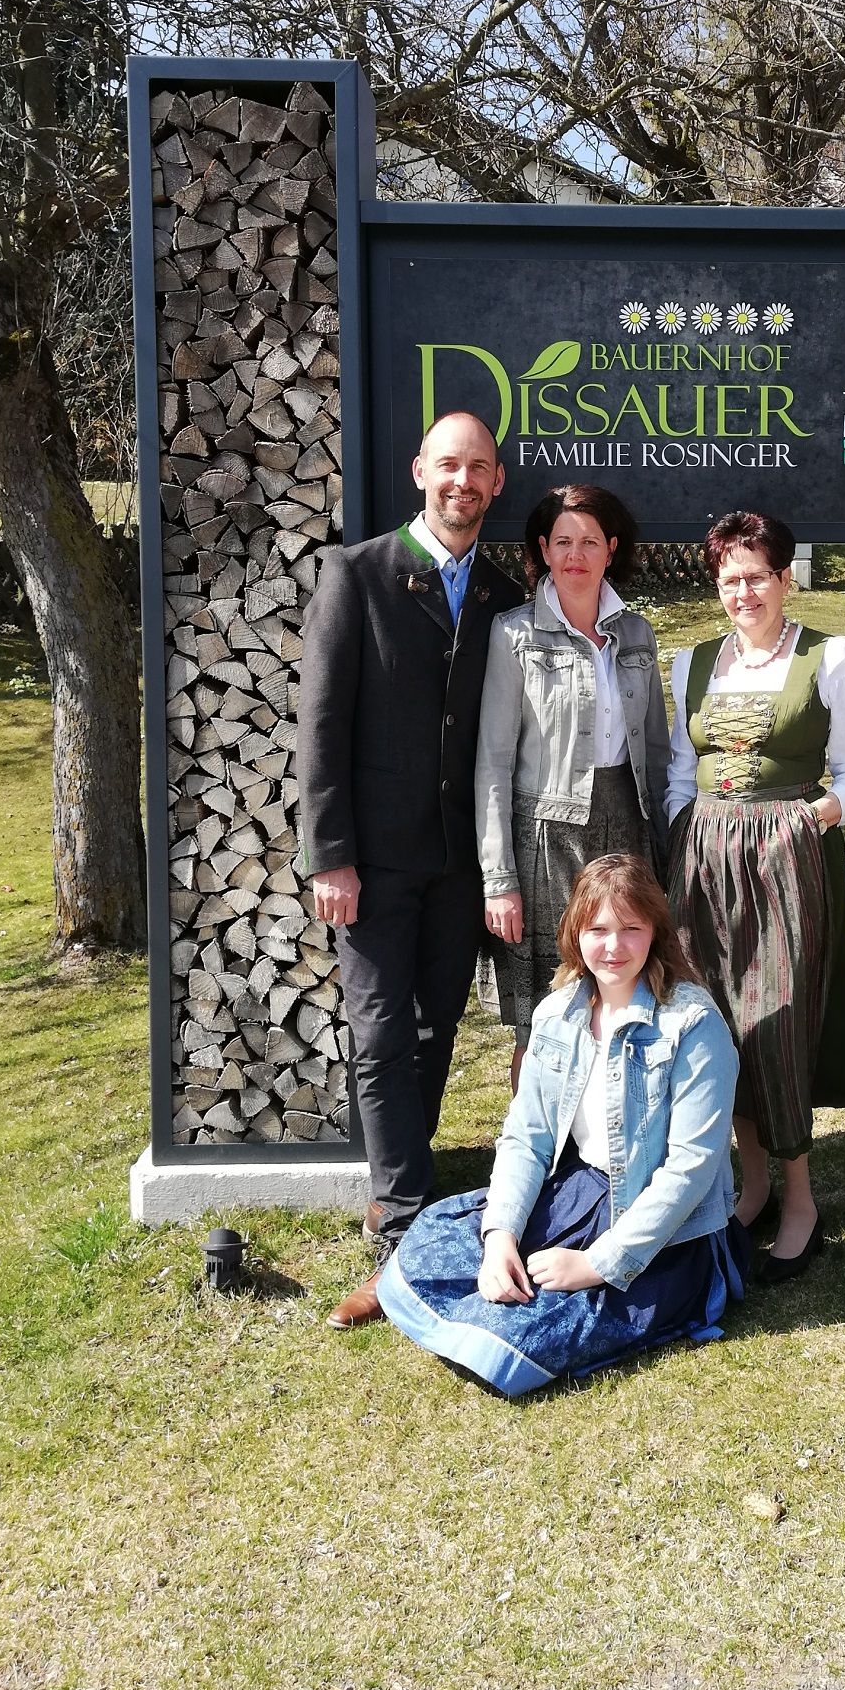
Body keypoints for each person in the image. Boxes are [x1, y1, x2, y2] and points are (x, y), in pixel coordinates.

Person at [296, 410, 523, 1330]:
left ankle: (408, 1176)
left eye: (478, 469)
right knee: (383, 1028)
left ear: (496, 483)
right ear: (418, 469)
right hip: (375, 862)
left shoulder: (507, 595)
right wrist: (331, 853)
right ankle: (399, 1222)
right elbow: (321, 724)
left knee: (436, 1027)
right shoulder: (356, 574)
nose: (461, 483)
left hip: (461, 861)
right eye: (447, 466)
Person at [372, 855, 746, 1394]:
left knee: (530, 1330)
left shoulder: (692, 1023)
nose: (613, 947)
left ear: (656, 933)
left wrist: (598, 1264)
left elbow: (689, 1170)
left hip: (664, 1231)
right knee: (436, 1236)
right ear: (575, 931)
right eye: (598, 929)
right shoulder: (558, 1012)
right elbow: (526, 1137)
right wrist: (500, 1236)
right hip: (581, 1190)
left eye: (630, 929)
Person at [666, 511, 845, 1284]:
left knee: (777, 1021)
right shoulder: (689, 662)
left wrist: (809, 819)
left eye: (757, 576)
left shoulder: (833, 657)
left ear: (786, 578)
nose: (743, 592)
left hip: (787, 855)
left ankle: (800, 1201)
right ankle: (749, 1183)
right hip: (704, 859)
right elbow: (674, 773)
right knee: (718, 1020)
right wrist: (686, 831)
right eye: (730, 580)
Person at [475, 485, 670, 1076]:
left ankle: (609, 1152)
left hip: (626, 833)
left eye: (590, 541)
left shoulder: (636, 633)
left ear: (611, 549)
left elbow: (656, 750)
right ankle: (539, 1161)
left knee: (625, 1003)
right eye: (563, 541)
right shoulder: (513, 635)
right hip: (544, 841)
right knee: (542, 1019)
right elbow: (492, 760)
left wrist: (665, 848)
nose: (576, 554)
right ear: (544, 548)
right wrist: (499, 878)